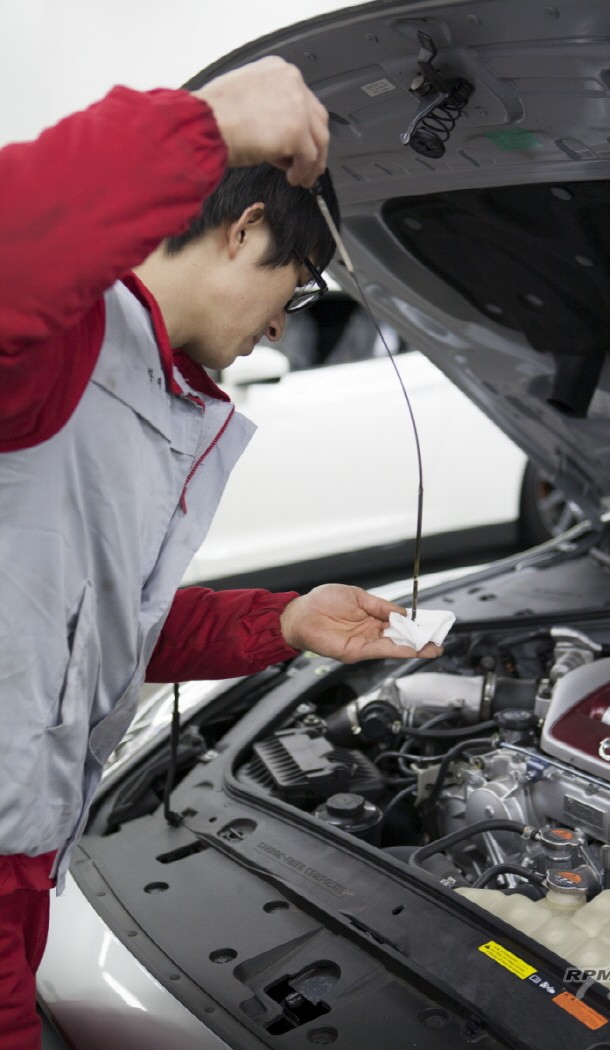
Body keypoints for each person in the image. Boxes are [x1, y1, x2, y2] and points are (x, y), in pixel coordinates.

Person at [0, 57, 441, 1049]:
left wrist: (282, 623)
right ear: (244, 230)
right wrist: (201, 126)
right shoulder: (59, 349)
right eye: (296, 283)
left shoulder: (163, 394)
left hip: (28, 857)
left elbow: (96, 630)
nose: (286, 323)